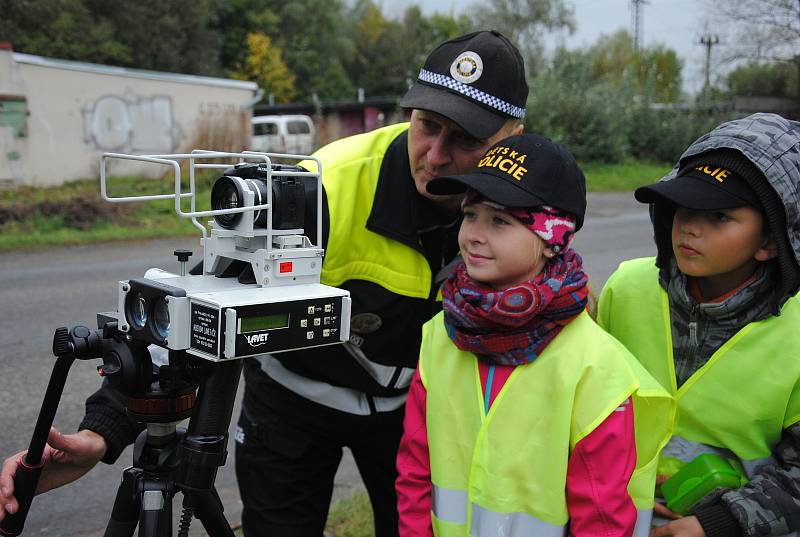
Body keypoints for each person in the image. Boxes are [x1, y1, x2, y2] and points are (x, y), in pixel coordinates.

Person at [0, 30, 530, 537]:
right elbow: (197, 309)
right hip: (291, 408)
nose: (436, 155)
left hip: (418, 413)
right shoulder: (324, 186)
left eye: (463, 138)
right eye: (426, 125)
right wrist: (100, 433)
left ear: (512, 138)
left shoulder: (527, 202)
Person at [396, 134, 673, 537]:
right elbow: (416, 469)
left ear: (551, 240)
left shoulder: (593, 366)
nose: (474, 234)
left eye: (500, 221)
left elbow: (602, 516)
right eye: (470, 214)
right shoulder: (441, 333)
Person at [597, 113, 800, 537]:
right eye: (683, 206)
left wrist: (721, 522)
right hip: (614, 519)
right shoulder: (626, 288)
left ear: (770, 242)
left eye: (719, 216)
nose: (690, 226)